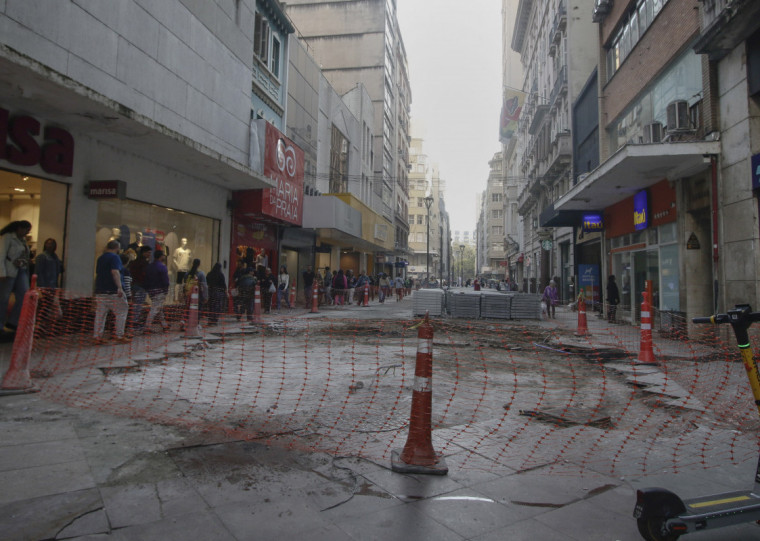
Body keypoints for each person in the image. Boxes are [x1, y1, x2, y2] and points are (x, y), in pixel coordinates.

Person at [93, 240, 130, 343]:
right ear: (116, 248)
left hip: (101, 291)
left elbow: (98, 274)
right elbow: (115, 272)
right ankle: (119, 335)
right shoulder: (115, 257)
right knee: (121, 312)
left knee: (100, 315)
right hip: (113, 291)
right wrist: (119, 287)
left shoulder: (101, 258)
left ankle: (97, 336)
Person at [0, 220, 32, 336]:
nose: (26, 233)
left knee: (24, 295)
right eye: (25, 230)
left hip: (21, 270)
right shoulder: (7, 237)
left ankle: (13, 321)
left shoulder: (22, 240)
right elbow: (1, 255)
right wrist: (2, 272)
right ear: (19, 228)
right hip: (9, 271)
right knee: (3, 298)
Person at [34, 237, 64, 324]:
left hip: (53, 284)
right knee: (45, 303)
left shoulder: (55, 257)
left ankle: (44, 320)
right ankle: (40, 320)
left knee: (49, 304)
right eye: (48, 243)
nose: (50, 245)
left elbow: (59, 270)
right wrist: (41, 286)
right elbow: (38, 272)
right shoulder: (42, 257)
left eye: (52, 244)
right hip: (45, 284)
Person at [141, 250, 170, 333]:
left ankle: (164, 325)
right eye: (163, 255)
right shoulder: (162, 267)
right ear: (161, 256)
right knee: (155, 309)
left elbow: (145, 278)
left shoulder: (149, 266)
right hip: (160, 291)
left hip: (151, 291)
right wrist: (166, 290)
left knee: (158, 308)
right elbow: (165, 281)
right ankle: (147, 327)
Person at [128, 246, 152, 331]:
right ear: (144, 253)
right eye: (148, 252)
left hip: (135, 285)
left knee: (136, 304)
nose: (149, 254)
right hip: (140, 286)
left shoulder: (134, 262)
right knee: (138, 305)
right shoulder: (143, 263)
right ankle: (134, 323)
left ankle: (133, 322)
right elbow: (145, 275)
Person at [180, 258, 207, 329]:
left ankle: (183, 321)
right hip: (197, 296)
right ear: (199, 264)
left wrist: (184, 293)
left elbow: (185, 284)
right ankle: (196, 324)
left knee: (188, 308)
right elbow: (204, 286)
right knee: (198, 309)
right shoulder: (201, 274)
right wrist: (205, 296)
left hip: (188, 294)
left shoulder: (187, 274)